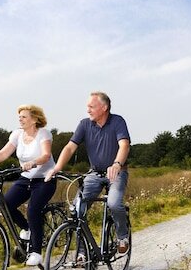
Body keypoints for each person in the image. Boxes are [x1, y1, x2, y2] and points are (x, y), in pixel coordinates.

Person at [46, 91, 131, 253]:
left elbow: (124, 145)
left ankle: (122, 235)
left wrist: (117, 164)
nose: (88, 110)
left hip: (117, 172)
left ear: (104, 108)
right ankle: (83, 253)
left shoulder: (117, 121)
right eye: (87, 107)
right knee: (78, 210)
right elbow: (70, 147)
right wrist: (57, 167)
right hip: (94, 174)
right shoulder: (84, 124)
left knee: (113, 203)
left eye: (92, 106)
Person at [0, 104, 56, 267]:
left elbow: (46, 155)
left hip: (44, 179)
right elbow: (3, 153)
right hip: (25, 178)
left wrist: (33, 162)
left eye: (24, 116)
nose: (20, 119)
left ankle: (36, 252)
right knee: (7, 206)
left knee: (33, 209)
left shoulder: (43, 134)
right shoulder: (17, 134)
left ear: (34, 119)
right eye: (19, 116)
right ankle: (27, 228)